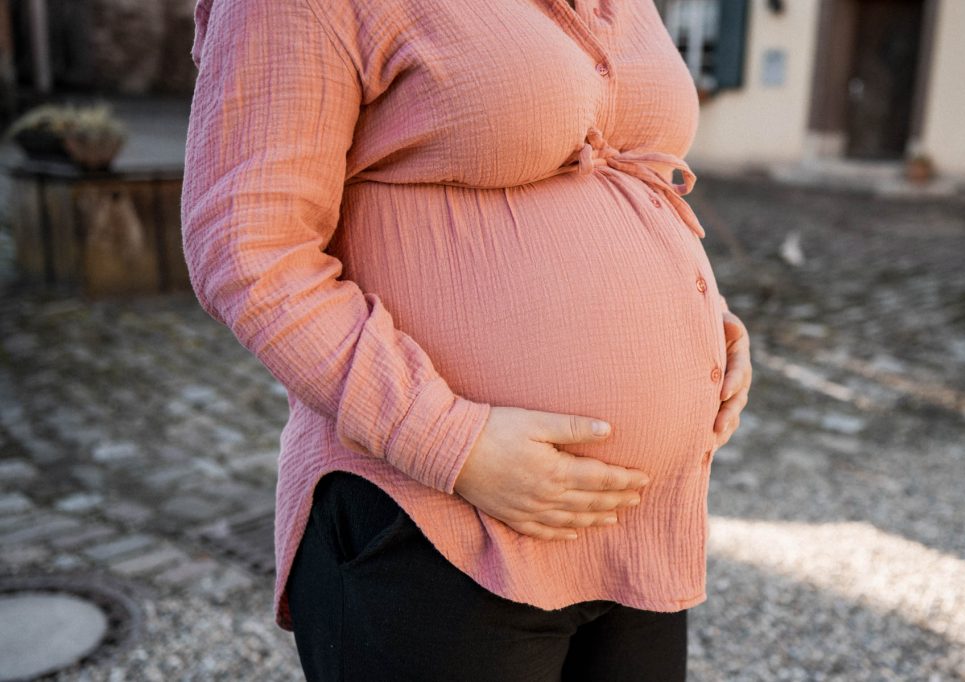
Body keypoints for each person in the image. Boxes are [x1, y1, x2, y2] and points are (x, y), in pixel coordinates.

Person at [181, 0, 753, 679]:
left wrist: (705, 322)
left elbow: (635, 169)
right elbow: (247, 248)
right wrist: (453, 444)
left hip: (637, 530)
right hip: (433, 527)